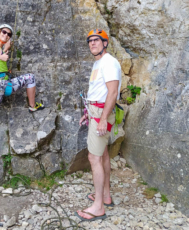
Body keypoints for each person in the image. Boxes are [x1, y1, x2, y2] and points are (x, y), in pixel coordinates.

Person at [0, 24, 44, 156]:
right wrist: (0, 57)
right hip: (1, 84)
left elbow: (0, 58)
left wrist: (5, 50)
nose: (6, 35)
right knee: (30, 78)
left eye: (9, 34)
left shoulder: (0, 49)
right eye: (3, 32)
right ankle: (32, 106)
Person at [76, 29, 121, 221]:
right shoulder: (99, 63)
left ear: (105, 43)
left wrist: (103, 119)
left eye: (97, 40)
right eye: (90, 41)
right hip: (95, 113)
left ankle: (98, 207)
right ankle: (105, 196)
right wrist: (88, 114)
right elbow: (98, 92)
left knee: (93, 158)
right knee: (101, 155)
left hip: (102, 115)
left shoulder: (109, 62)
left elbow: (112, 93)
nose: (92, 43)